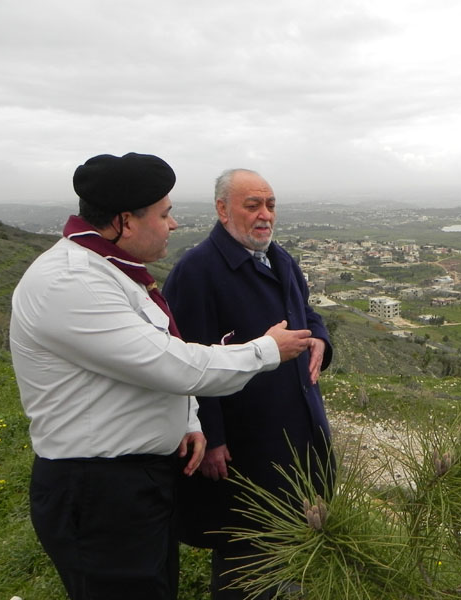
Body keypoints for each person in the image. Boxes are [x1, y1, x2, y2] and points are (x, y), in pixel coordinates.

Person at [10, 153, 314, 600]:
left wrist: (188, 420)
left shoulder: (111, 273)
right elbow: (173, 363)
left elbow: (145, 366)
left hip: (133, 484)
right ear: (125, 222)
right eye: (165, 214)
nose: (172, 225)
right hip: (98, 490)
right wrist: (268, 350)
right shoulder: (72, 283)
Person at [163, 168, 334, 599]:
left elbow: (306, 314)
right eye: (252, 205)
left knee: (293, 539)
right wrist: (212, 437)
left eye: (270, 205)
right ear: (222, 210)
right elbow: (187, 361)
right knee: (246, 548)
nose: (265, 215)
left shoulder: (280, 258)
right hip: (244, 443)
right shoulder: (196, 271)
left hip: (298, 434)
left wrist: (319, 339)